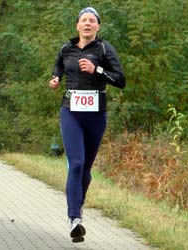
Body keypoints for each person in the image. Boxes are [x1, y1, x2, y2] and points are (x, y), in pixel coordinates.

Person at [49, 7, 125, 242]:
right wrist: (55, 79)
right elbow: (58, 66)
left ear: (98, 27)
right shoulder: (66, 48)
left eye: (92, 21)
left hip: (96, 115)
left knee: (87, 169)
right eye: (84, 20)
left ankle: (77, 212)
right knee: (77, 164)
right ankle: (74, 219)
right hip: (70, 112)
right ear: (77, 26)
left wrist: (97, 69)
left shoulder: (104, 49)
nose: (88, 24)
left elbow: (120, 80)